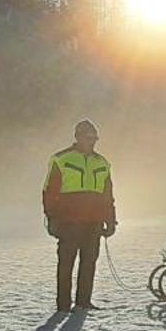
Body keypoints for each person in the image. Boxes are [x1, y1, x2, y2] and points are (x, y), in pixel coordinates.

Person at [41, 119, 116, 311]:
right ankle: (63, 305)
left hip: (94, 223)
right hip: (69, 223)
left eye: (94, 138)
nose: (91, 141)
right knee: (66, 264)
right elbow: (49, 192)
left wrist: (110, 220)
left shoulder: (103, 163)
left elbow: (108, 195)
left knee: (89, 263)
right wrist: (52, 218)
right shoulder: (61, 159)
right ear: (78, 137)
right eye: (87, 137)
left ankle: (83, 302)